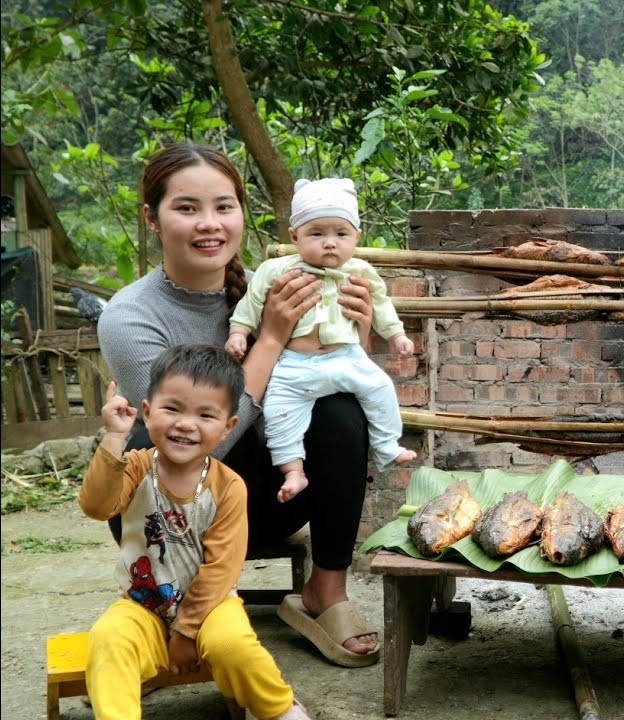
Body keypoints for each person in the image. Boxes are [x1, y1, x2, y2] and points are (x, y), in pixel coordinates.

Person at [97, 143, 381, 668]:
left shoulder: (273, 289)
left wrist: (357, 337)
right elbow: (182, 448)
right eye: (187, 208)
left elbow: (330, 392)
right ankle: (169, 600)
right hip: (173, 518)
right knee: (142, 438)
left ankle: (326, 592)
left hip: (268, 503)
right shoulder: (130, 316)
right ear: (152, 218)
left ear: (241, 214)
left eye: (223, 206)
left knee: (339, 409)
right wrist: (269, 339)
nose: (209, 223)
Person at [80, 344, 309, 719]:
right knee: (107, 640)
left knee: (233, 645)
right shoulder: (135, 467)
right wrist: (114, 439)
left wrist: (187, 631)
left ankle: (281, 709)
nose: (186, 424)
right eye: (172, 409)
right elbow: (97, 506)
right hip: (143, 606)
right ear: (148, 411)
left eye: (205, 414)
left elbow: (222, 567)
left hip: (213, 607)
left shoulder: (228, 487)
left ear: (227, 428)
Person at [226, 177, 416, 503]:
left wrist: (397, 335)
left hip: (346, 358)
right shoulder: (276, 270)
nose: (330, 243)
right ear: (295, 236)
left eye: (341, 234)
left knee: (380, 388)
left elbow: (382, 306)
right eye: (317, 234)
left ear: (356, 237)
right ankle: (293, 471)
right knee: (278, 412)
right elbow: (251, 303)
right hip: (294, 365)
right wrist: (238, 332)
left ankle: (386, 445)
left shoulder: (362, 272)